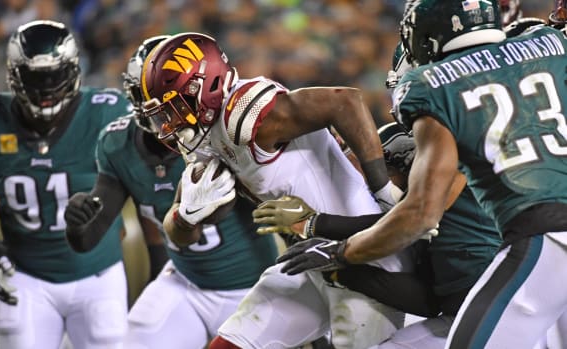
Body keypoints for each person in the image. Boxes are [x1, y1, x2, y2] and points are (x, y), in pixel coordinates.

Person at [274, 1, 567, 348]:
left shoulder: (432, 85)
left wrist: (340, 251)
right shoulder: (548, 43)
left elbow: (422, 213)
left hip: (544, 238)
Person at [140, 32, 413, 349]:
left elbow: (344, 101)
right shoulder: (203, 136)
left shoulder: (245, 115)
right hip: (309, 262)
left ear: (204, 86)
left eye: (174, 108)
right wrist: (187, 217)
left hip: (362, 259)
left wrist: (382, 192)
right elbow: (179, 234)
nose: (166, 124)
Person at [63, 36, 278, 349]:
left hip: (253, 289)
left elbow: (281, 204)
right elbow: (87, 237)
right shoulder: (118, 144)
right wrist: (76, 220)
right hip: (184, 283)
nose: (161, 107)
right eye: (149, 95)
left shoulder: (225, 133)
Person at [0, 20, 130, 349]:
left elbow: (143, 186)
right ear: (15, 75)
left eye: (55, 75)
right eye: (36, 77)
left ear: (74, 70)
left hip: (99, 275)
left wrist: (157, 259)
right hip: (24, 276)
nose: (47, 88)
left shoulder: (107, 115)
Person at [255, 121, 503, 349]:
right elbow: (428, 301)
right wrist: (338, 270)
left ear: (407, 162)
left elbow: (406, 221)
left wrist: (317, 228)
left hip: (499, 316)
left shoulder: (450, 189)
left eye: (382, 173)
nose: (372, 189)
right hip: (465, 315)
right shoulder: (442, 231)